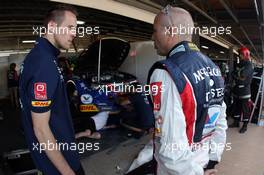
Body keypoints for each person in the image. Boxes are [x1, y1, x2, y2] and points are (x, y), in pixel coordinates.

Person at [127, 5, 227, 175]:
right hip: (200, 161)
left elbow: (170, 146)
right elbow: (221, 123)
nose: (152, 36)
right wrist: (211, 161)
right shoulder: (213, 67)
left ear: (171, 31)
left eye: (155, 30)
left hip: (178, 170)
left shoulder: (166, 71)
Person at [19, 5, 85, 175]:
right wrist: (67, 172)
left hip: (53, 159)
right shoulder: (44, 64)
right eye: (70, 27)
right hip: (59, 166)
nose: (74, 33)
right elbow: (41, 129)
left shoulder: (42, 57)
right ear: (52, 26)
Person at [229, 46, 254, 133]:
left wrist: (236, 75)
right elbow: (232, 73)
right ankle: (236, 122)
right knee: (237, 107)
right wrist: (236, 75)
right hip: (237, 90)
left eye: (241, 54)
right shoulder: (240, 64)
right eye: (239, 54)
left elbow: (242, 75)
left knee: (245, 109)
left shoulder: (249, 65)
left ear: (245, 54)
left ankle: (245, 125)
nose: (240, 56)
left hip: (245, 91)